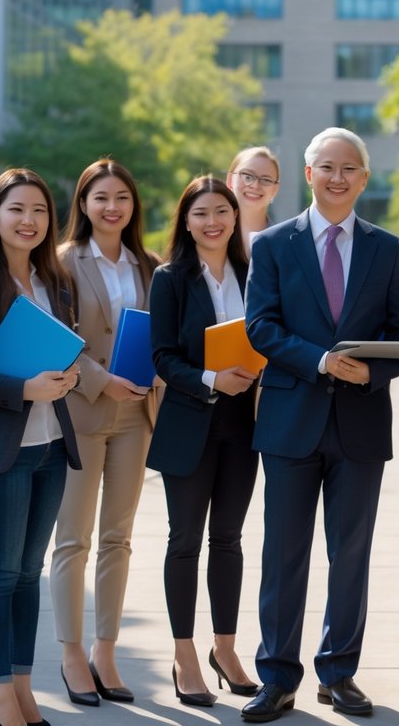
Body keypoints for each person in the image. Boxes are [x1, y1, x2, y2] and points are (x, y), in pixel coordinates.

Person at [241, 127, 399, 722]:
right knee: (283, 554)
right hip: (291, 420)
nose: (337, 178)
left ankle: (339, 672)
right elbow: (259, 326)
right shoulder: (271, 244)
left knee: (351, 554)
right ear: (308, 173)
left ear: (364, 179)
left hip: (360, 423)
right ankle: (277, 676)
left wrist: (371, 374)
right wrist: (318, 360)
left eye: (349, 169)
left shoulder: (388, 248)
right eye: (326, 167)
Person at [0, 168, 82, 726]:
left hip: (53, 444)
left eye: (39, 211)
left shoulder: (53, 280)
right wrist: (23, 388)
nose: (29, 220)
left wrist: (67, 378)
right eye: (17, 209)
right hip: (2, 447)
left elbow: (65, 354)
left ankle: (21, 685)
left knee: (29, 572)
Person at [147, 176, 261, 707]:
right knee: (185, 540)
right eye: (200, 213)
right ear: (185, 221)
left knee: (230, 541)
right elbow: (163, 356)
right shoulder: (169, 279)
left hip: (244, 426)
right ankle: (184, 653)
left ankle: (226, 647)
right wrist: (214, 379)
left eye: (222, 211)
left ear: (235, 218)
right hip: (190, 422)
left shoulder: (254, 273)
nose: (212, 221)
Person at [51, 159, 158, 706]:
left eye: (121, 197)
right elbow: (58, 336)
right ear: (84, 204)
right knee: (74, 538)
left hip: (136, 417)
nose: (112, 207)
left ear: (133, 205)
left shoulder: (149, 265)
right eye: (100, 197)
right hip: (81, 411)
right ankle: (71, 653)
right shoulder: (64, 262)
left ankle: (105, 649)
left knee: (118, 536)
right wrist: (100, 379)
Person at [227, 146, 281, 247]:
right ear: (230, 180)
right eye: (247, 177)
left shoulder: (284, 243)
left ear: (275, 189)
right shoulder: (210, 236)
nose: (255, 186)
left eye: (266, 180)